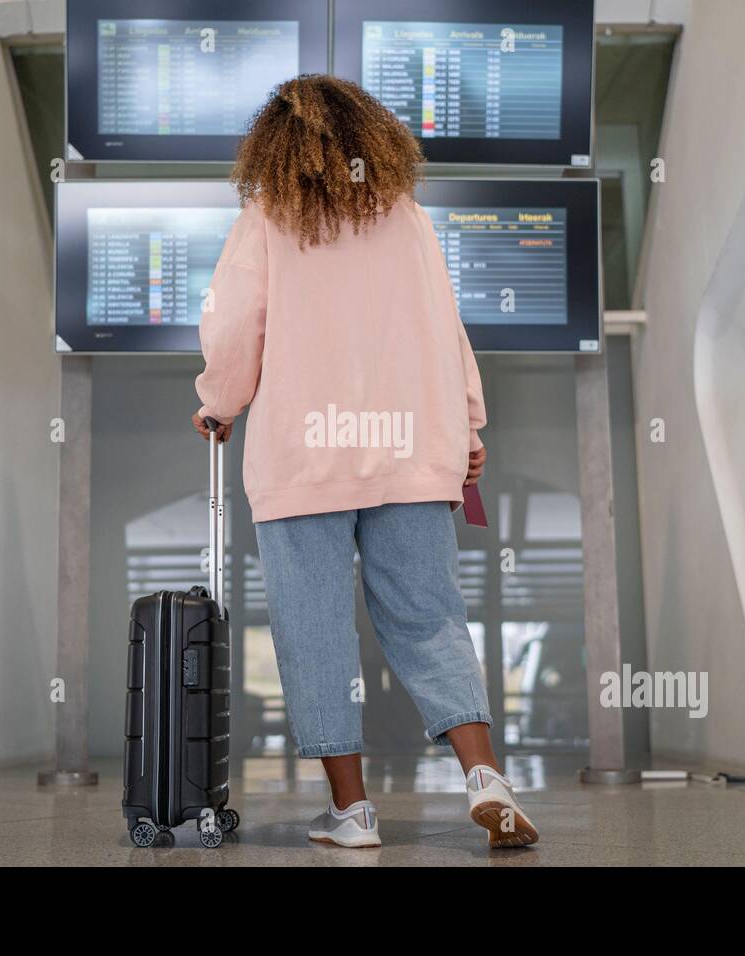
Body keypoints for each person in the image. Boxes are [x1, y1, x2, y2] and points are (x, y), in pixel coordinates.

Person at [192, 74, 537, 850]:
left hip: (302, 460)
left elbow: (234, 326)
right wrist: (468, 433)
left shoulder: (266, 219)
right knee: (430, 619)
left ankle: (352, 813)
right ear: (370, 136)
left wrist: (219, 403)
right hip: (411, 450)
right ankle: (484, 776)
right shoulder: (406, 218)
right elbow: (448, 331)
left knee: (314, 631)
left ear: (273, 148)